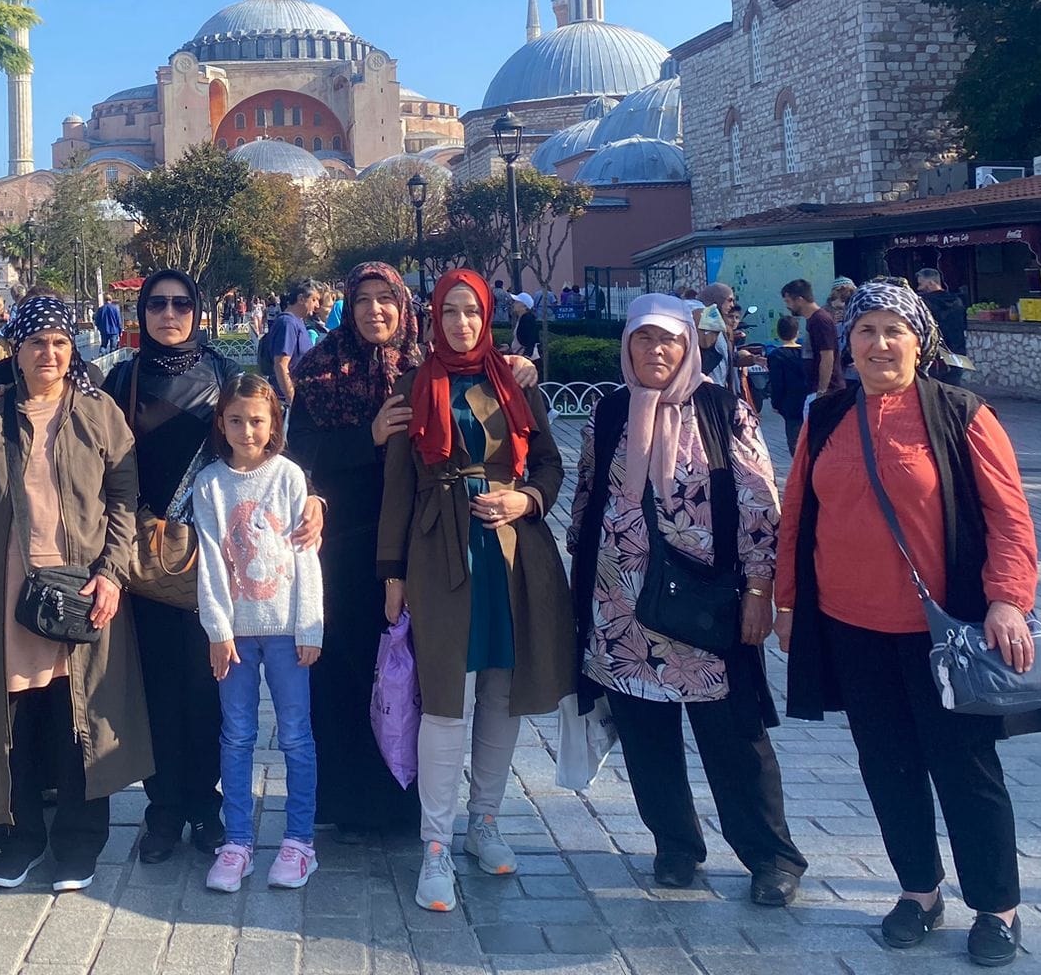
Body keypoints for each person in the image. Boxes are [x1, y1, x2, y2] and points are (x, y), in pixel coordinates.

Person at [776, 279, 1041, 969]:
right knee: (887, 766)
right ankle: (918, 893)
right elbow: (797, 520)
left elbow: (1008, 518)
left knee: (965, 768)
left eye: (893, 330)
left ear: (919, 341)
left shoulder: (961, 413)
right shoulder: (828, 416)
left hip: (945, 634)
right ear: (848, 343)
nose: (878, 344)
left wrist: (1008, 598)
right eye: (864, 331)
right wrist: (787, 604)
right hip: (851, 627)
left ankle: (997, 906)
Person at [567, 294, 805, 907]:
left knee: (733, 736)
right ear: (628, 346)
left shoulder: (723, 409)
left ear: (689, 345)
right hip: (622, 609)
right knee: (647, 737)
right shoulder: (610, 412)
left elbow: (758, 505)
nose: (655, 351)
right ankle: (675, 846)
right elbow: (588, 499)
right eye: (643, 339)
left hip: (706, 606)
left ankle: (771, 856)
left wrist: (759, 589)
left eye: (667, 340)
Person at [0, 297, 152, 893]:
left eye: (59, 342)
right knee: (13, 720)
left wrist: (112, 571)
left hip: (81, 589)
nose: (48, 354)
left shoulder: (99, 412)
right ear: (17, 350)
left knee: (75, 714)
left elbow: (125, 497)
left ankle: (80, 843)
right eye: (36, 343)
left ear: (72, 347)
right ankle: (21, 836)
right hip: (0, 590)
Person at [103, 270, 319, 864]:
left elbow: (268, 445)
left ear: (197, 310)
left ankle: (206, 807)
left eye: (180, 303)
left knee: (209, 689)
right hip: (150, 560)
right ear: (140, 311)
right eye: (156, 304)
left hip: (220, 563)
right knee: (158, 690)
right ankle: (164, 809)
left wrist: (313, 499)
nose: (168, 313)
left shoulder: (224, 374)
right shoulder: (125, 376)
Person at [379, 270, 574, 912]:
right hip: (439, 551)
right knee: (444, 696)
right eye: (450, 312)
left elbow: (549, 463)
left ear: (486, 316)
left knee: (501, 688)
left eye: (472, 312)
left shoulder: (511, 380)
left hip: (512, 554)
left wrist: (526, 498)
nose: (461, 324)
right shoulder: (415, 384)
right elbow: (399, 486)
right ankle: (434, 842)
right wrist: (394, 574)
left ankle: (482, 821)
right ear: (432, 317)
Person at [285, 263, 425, 842]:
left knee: (404, 672)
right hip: (340, 544)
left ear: (402, 305)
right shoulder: (320, 369)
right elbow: (298, 455)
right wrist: (367, 436)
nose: (374, 311)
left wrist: (517, 369)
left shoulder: (424, 367)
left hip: (414, 543)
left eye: (385, 299)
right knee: (345, 671)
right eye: (363, 299)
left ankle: (400, 803)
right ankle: (345, 799)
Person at [195, 375, 323, 893]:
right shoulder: (210, 483)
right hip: (237, 635)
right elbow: (209, 560)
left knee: (295, 735)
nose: (247, 430)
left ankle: (299, 843)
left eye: (257, 420)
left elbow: (305, 554)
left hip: (288, 628)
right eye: (236, 420)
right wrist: (218, 630)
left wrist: (310, 623)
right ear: (221, 423)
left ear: (274, 424)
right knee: (237, 734)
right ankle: (238, 842)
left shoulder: (289, 476)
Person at [783, 279, 844, 403]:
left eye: (788, 301)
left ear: (800, 300)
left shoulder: (820, 320)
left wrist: (822, 391)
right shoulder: (813, 320)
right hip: (816, 390)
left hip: (828, 392)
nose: (787, 306)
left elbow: (827, 356)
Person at [265, 281, 317, 409]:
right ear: (301, 299)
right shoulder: (287, 323)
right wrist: (293, 400)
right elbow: (281, 365)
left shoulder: (298, 322)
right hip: (284, 403)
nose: (317, 305)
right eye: (314, 299)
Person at [914, 270, 969, 385]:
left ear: (931, 283)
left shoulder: (924, 304)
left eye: (921, 284)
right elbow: (964, 325)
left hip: (936, 354)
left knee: (934, 391)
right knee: (955, 390)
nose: (919, 288)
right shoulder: (958, 302)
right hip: (958, 351)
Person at [766, 315, 809, 457]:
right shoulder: (806, 353)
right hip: (808, 401)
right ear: (797, 332)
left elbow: (777, 383)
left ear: (778, 333)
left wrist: (776, 403)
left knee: (795, 442)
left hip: (790, 404)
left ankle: (799, 472)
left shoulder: (776, 355)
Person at [512, 293, 541, 359]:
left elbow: (531, 338)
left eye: (517, 302)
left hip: (526, 357)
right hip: (520, 356)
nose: (514, 304)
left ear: (524, 306)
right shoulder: (521, 319)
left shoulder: (528, 319)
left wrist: (527, 355)